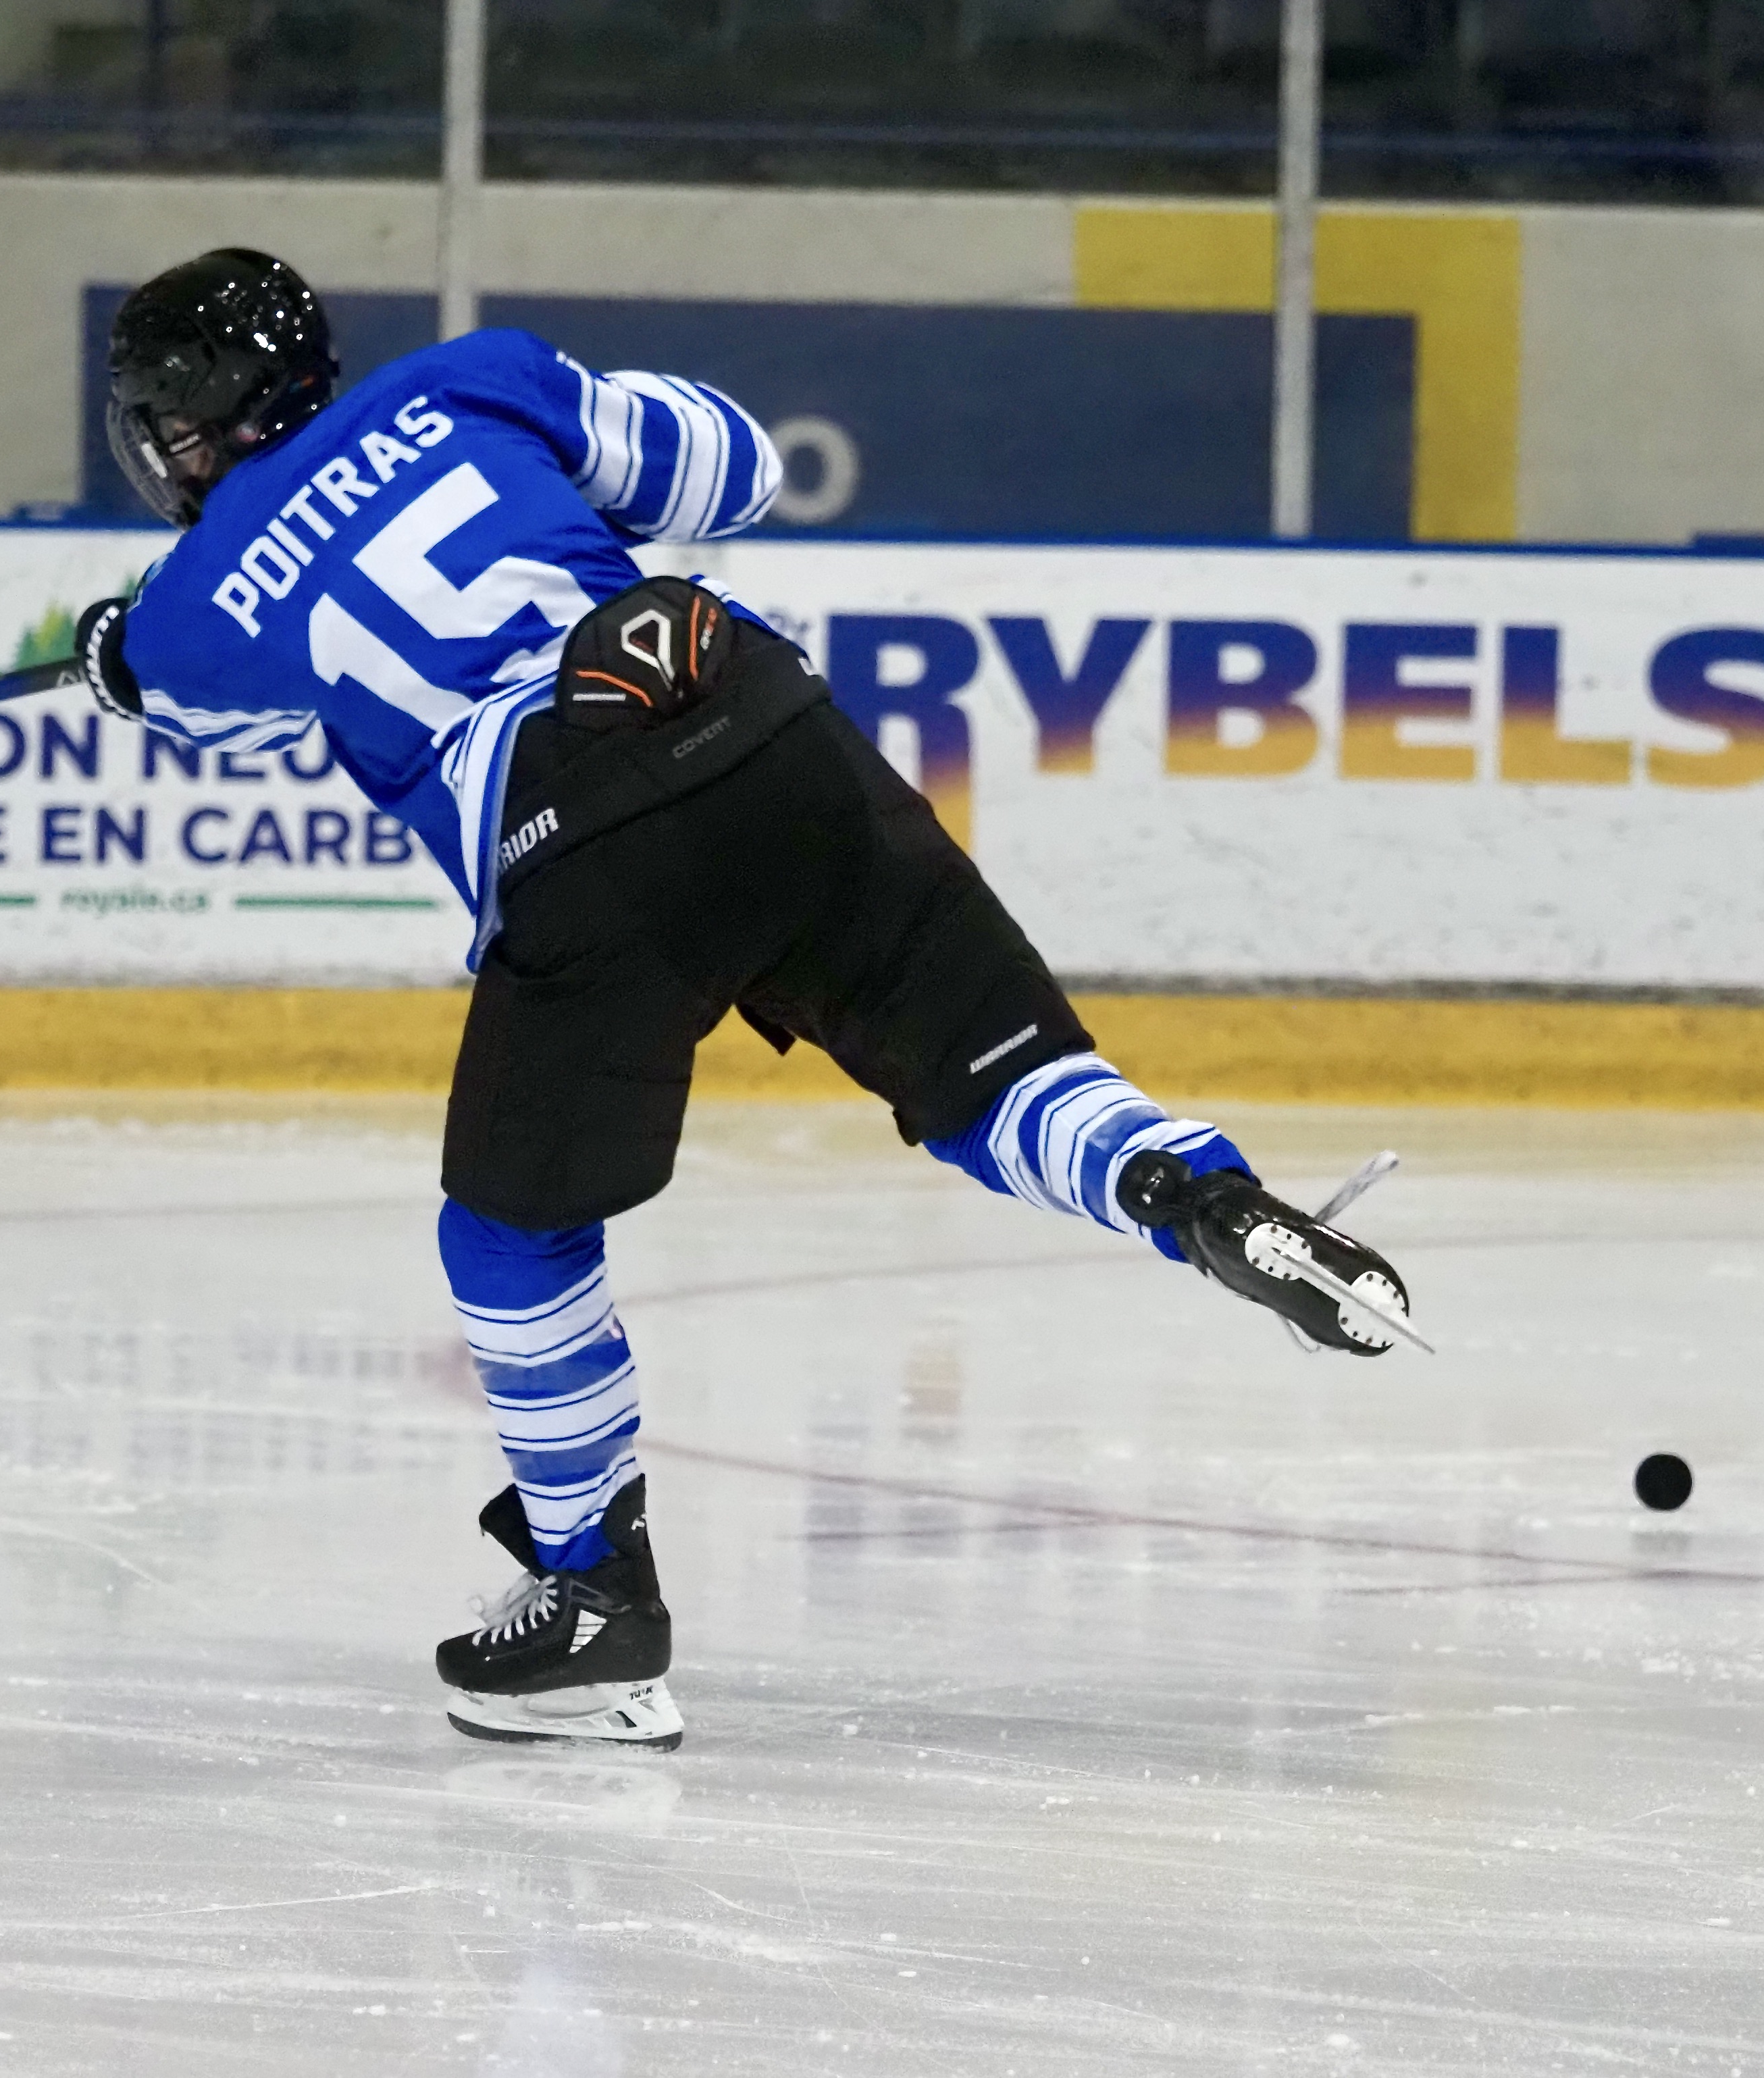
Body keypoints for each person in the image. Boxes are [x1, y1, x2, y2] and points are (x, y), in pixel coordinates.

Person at [75, 249, 1420, 1752]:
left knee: (512, 1237)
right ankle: (1197, 1193)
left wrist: (113, 655)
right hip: (760, 716)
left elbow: (207, 700)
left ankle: (596, 1600)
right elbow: (734, 469)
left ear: (179, 427)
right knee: (999, 1074)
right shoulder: (471, 380)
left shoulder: (198, 600)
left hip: (580, 827)